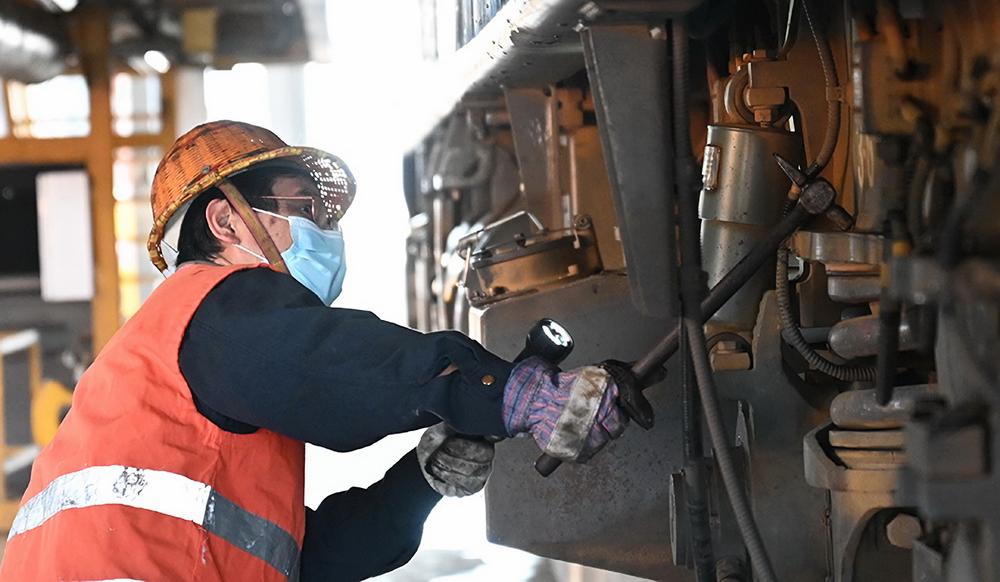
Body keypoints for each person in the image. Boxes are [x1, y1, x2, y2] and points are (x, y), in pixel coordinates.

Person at [0, 121, 628, 582]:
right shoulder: (209, 307)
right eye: (302, 210)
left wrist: (421, 481)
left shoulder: (202, 380)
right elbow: (342, 364)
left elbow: (313, 561)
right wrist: (505, 392)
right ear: (226, 223)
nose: (324, 234)